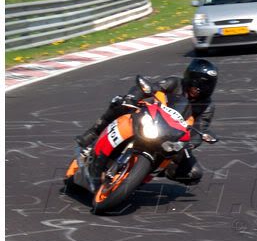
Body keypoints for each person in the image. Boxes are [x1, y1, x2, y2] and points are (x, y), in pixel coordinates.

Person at [75, 58, 219, 185]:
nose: (202, 89)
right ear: (190, 78)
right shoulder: (174, 83)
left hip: (173, 136)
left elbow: (201, 128)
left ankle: (150, 171)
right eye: (199, 84)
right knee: (119, 102)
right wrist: (132, 98)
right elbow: (149, 88)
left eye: (208, 86)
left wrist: (190, 144)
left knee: (194, 173)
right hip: (151, 119)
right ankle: (93, 133)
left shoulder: (207, 106)